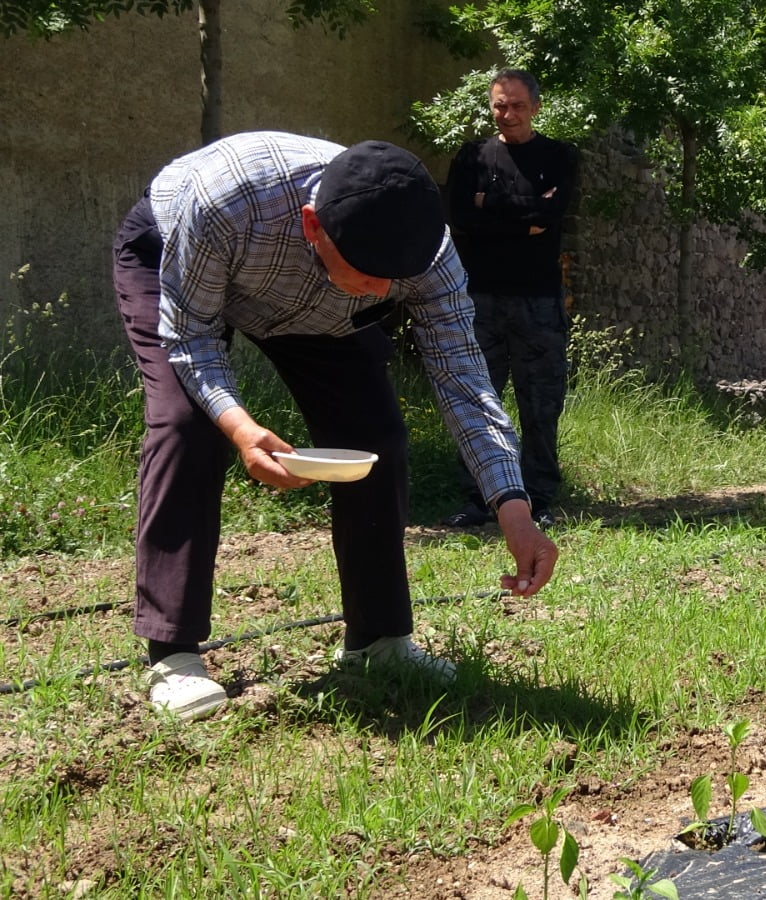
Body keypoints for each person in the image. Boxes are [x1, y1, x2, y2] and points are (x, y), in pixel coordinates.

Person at [112, 131, 560, 721]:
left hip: (316, 303)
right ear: (313, 225)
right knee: (185, 427)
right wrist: (242, 428)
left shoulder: (424, 250)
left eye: (393, 279)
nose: (382, 291)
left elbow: (464, 379)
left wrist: (513, 507)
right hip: (180, 260)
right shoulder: (225, 202)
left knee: (375, 437)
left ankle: (379, 641)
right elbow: (191, 337)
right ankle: (173, 654)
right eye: (369, 272)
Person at [441, 69, 579, 531]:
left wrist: (491, 205)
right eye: (501, 104)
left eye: (518, 105)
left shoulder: (558, 156)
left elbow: (551, 212)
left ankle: (538, 499)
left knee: (540, 403)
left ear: (536, 107)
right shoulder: (472, 157)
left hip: (538, 301)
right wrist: (523, 220)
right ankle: (480, 499)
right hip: (479, 299)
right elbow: (459, 218)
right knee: (479, 401)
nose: (509, 114)